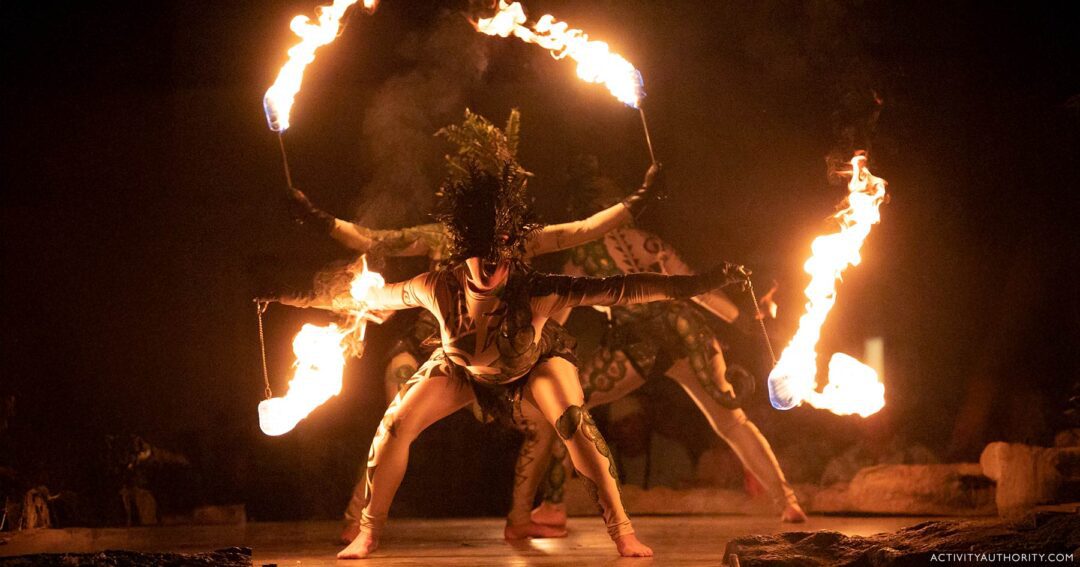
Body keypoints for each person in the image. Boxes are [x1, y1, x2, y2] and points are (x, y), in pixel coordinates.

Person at [271, 152, 751, 558]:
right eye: (481, 254)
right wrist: (291, 297)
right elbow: (366, 295)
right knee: (395, 424)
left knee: (574, 424)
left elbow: (626, 287)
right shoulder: (436, 286)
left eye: (501, 253)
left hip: (533, 363)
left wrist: (703, 282)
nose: (492, 264)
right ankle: (369, 530)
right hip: (462, 368)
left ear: (513, 248)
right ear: (462, 250)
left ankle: (622, 531)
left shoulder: (538, 288)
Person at [512, 156, 806, 530]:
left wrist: (527, 350)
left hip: (636, 344)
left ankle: (553, 506)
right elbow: (696, 287)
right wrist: (742, 321)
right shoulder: (647, 241)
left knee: (564, 407)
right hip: (686, 330)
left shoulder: (581, 255)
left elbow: (559, 312)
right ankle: (788, 502)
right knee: (733, 422)